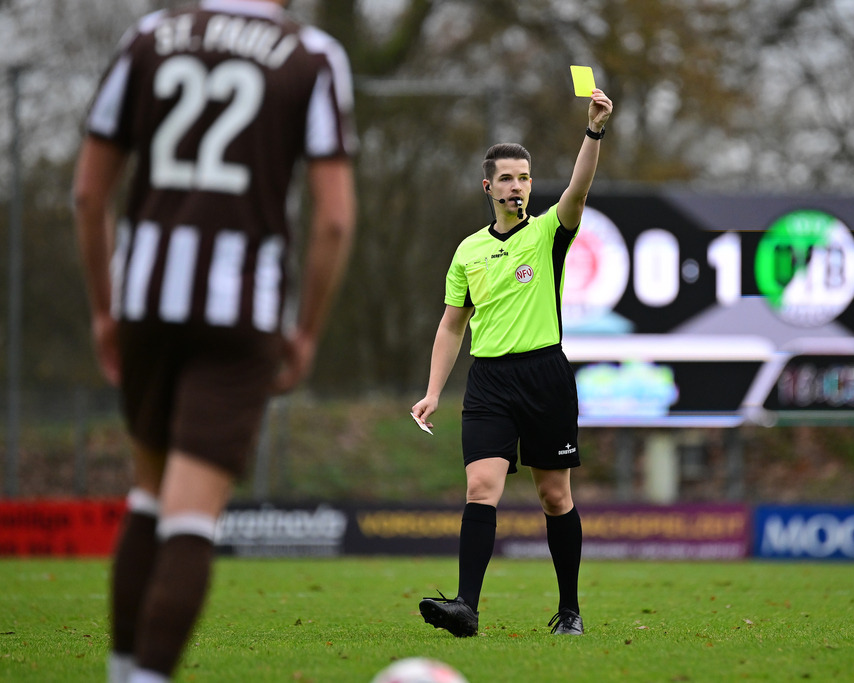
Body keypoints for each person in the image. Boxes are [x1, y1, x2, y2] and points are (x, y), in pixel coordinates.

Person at [72, 1, 358, 681]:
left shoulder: (149, 37)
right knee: (191, 516)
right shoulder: (311, 56)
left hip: (143, 298)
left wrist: (105, 308)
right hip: (240, 310)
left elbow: (88, 195)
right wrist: (307, 329)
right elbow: (335, 222)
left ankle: (121, 671)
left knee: (149, 494)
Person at [411, 88, 613, 637]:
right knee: (481, 487)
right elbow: (452, 325)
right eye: (506, 178)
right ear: (488, 186)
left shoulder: (549, 232)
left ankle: (569, 610)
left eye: (523, 177)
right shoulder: (468, 250)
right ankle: (466, 609)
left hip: (544, 376)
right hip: (489, 382)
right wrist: (432, 391)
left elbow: (579, 187)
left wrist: (593, 131)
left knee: (555, 495)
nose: (517, 186)